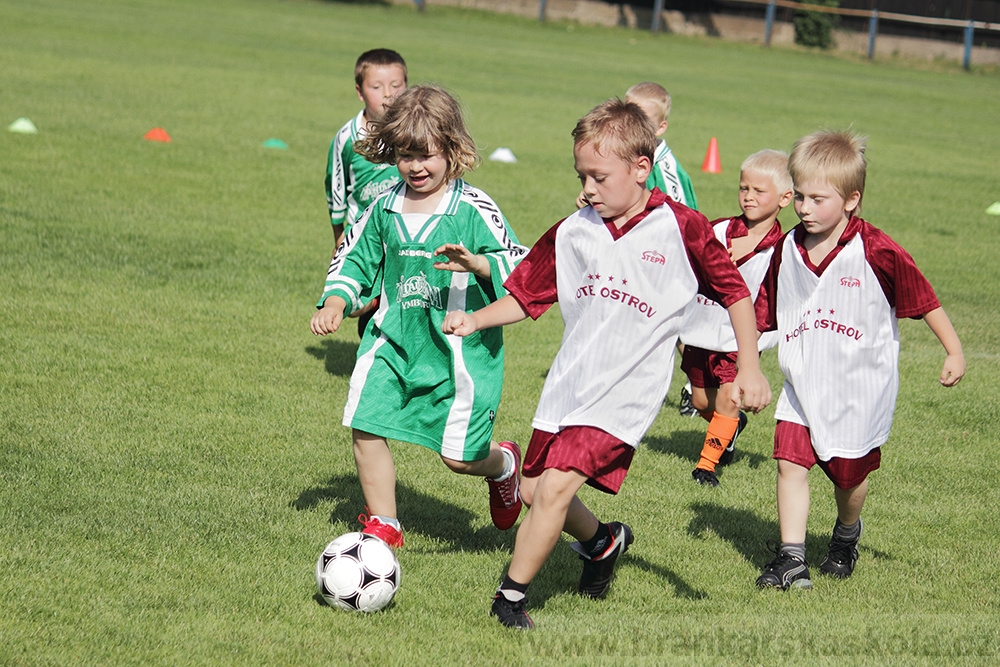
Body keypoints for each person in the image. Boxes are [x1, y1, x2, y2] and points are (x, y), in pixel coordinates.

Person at [443, 99, 771, 629]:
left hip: (626, 393)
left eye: (600, 176)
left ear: (641, 169)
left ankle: (509, 599)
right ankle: (603, 542)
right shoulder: (574, 230)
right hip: (570, 384)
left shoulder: (682, 229)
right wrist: (476, 320)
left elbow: (735, 295)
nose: (589, 188)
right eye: (582, 176)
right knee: (532, 492)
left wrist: (749, 369)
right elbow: (529, 296)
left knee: (552, 489)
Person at [310, 85, 529, 549]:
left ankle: (504, 464)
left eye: (427, 155)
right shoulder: (382, 206)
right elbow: (353, 259)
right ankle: (385, 524)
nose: (416, 167)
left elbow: (522, 265)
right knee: (366, 424)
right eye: (406, 156)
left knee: (460, 458)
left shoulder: (472, 209)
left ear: (452, 150)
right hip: (392, 341)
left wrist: (480, 265)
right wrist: (336, 301)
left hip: (459, 352)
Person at [753, 130, 965, 590]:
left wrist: (954, 350)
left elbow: (923, 300)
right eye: (800, 197)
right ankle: (791, 557)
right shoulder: (787, 250)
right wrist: (743, 366)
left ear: (851, 200)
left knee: (848, 478)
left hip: (858, 390)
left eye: (817, 199)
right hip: (801, 382)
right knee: (790, 462)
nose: (804, 208)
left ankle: (847, 533)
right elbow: (762, 312)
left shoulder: (876, 250)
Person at [681, 149, 793, 487]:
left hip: (741, 339)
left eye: (760, 191)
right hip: (702, 330)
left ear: (785, 198)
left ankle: (706, 466)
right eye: (744, 188)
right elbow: (686, 268)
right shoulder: (717, 231)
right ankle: (730, 424)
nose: (749, 197)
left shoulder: (783, 249)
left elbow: (776, 297)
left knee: (730, 397)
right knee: (702, 401)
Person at [325, 48, 408, 335]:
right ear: (360, 92)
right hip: (366, 235)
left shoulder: (413, 133)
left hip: (406, 231)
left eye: (396, 86)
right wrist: (339, 237)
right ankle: (371, 305)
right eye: (377, 87)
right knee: (355, 305)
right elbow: (336, 190)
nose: (388, 94)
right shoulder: (347, 138)